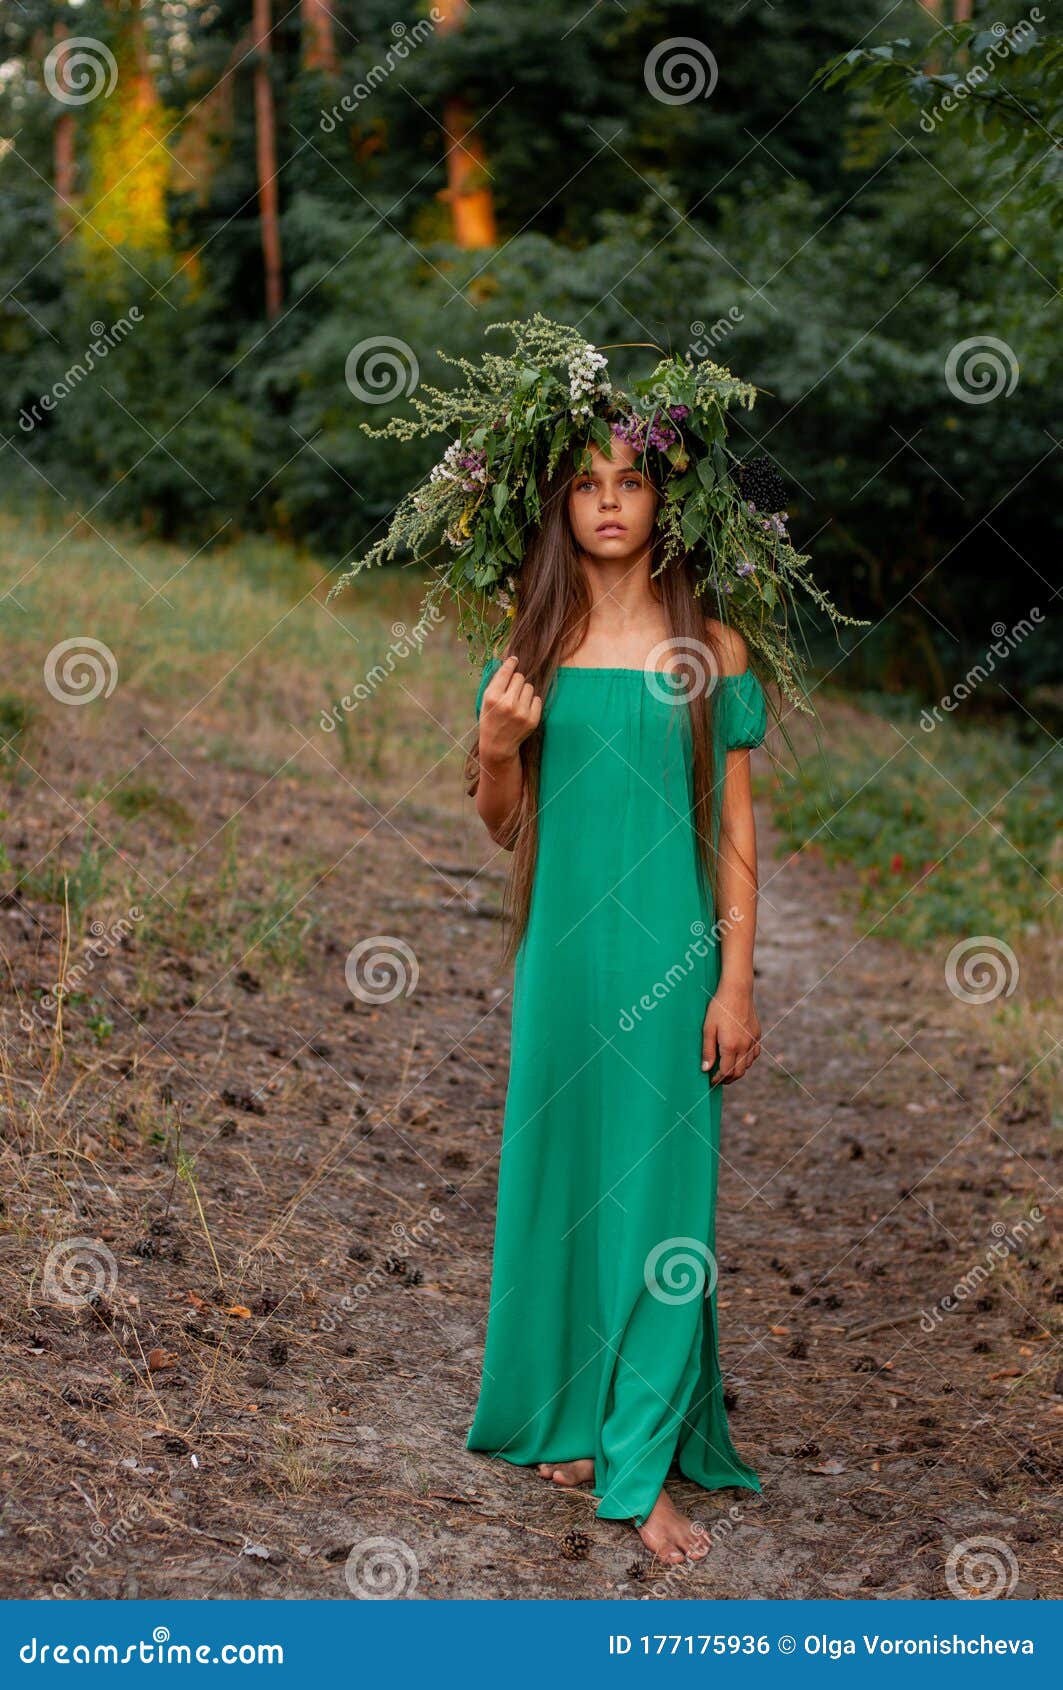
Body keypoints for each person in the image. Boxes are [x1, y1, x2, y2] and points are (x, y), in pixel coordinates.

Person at [464, 431, 767, 1565]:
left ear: (661, 501)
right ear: (559, 505)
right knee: (569, 1181)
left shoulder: (711, 648)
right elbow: (504, 823)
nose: (606, 502)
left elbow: (734, 836)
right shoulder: (533, 644)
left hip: (672, 961)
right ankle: (581, 1414)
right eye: (585, 484)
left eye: (628, 481)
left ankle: (638, 1466)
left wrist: (735, 980)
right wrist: (497, 746)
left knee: (659, 1200)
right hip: (562, 960)